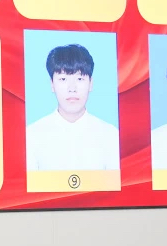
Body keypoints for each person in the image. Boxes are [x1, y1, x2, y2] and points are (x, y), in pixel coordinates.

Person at [26, 44, 120, 172]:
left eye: (80, 78)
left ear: (90, 84)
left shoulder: (110, 135)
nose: (72, 88)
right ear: (52, 84)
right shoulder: (32, 135)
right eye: (63, 79)